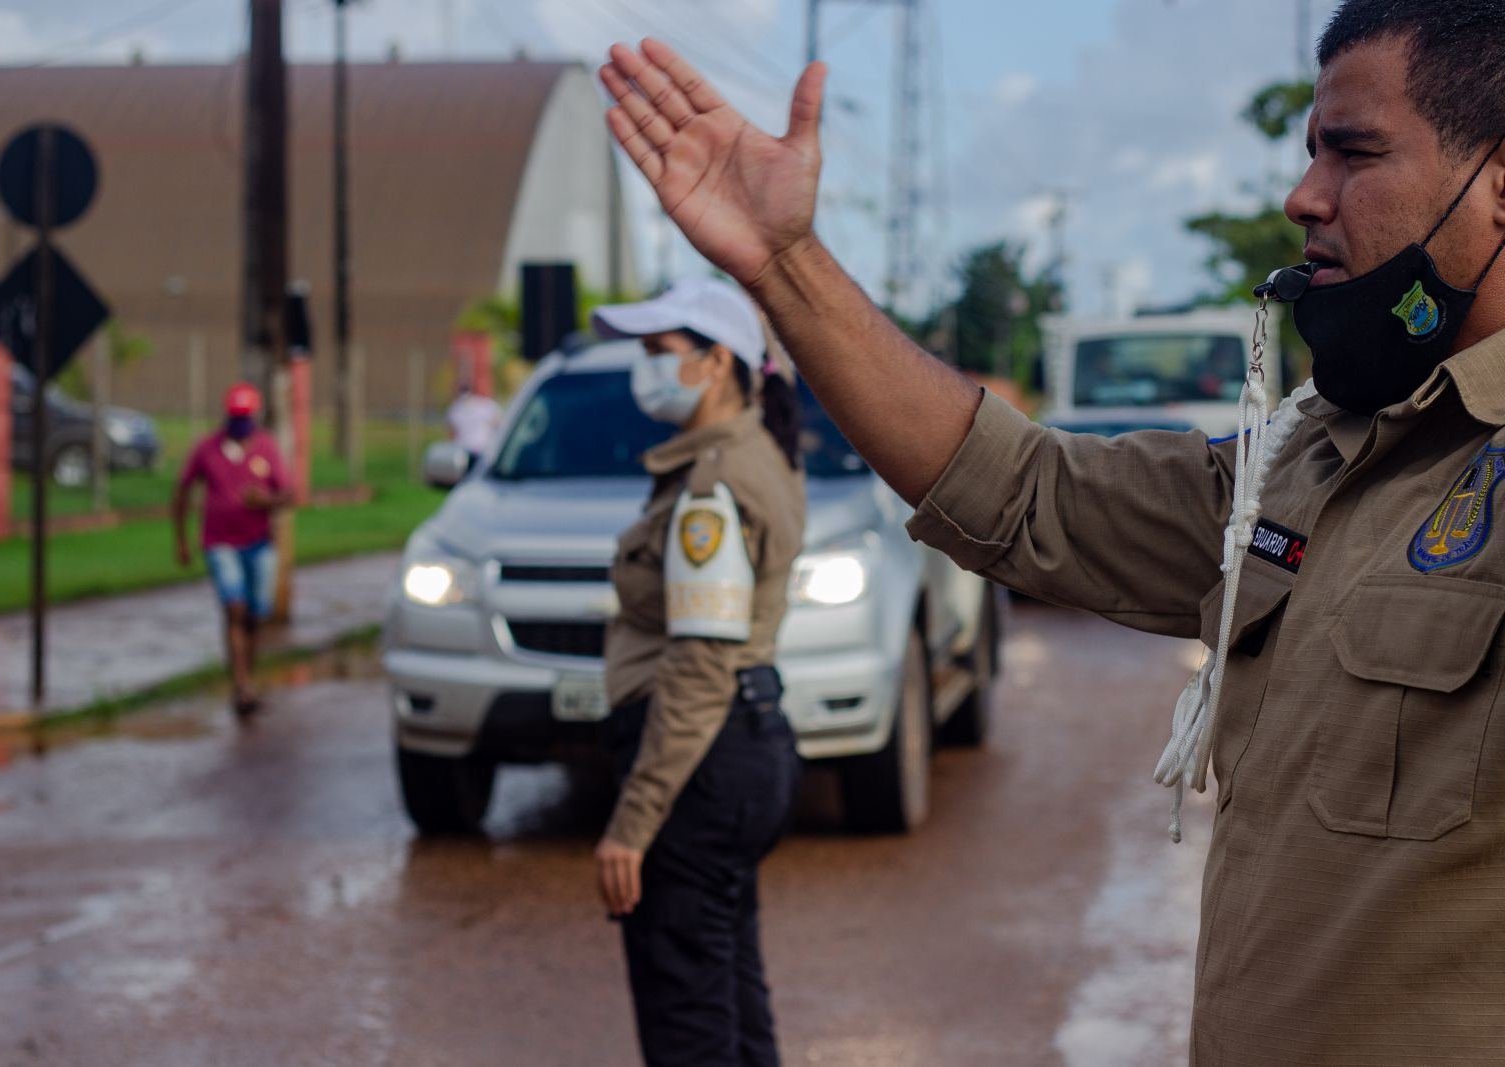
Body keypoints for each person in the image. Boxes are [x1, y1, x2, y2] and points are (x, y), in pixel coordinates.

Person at [599, 3, 1505, 1062]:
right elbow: (1022, 490)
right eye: (1309, 152)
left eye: (1353, 153)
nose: (1303, 196)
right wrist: (783, 264)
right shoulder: (1313, 458)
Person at [591, 277, 805, 1067]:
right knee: (733, 1005)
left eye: (658, 351)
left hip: (700, 765)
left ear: (716, 362)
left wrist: (633, 820)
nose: (643, 367)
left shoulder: (715, 486)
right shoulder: (750, 455)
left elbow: (699, 667)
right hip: (742, 749)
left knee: (690, 1024)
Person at [173, 383, 292, 716]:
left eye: (245, 416)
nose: (240, 422)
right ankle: (240, 686)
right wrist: (181, 541)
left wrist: (265, 501)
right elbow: (182, 492)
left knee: (256, 614)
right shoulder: (207, 448)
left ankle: (247, 679)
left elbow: (288, 493)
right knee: (234, 609)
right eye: (235, 415)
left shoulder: (266, 447)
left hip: (259, 544)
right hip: (220, 543)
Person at [445, 380, 502, 466]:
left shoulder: (454, 409)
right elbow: (499, 426)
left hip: (471, 452)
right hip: (476, 451)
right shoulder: (487, 406)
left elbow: (451, 435)